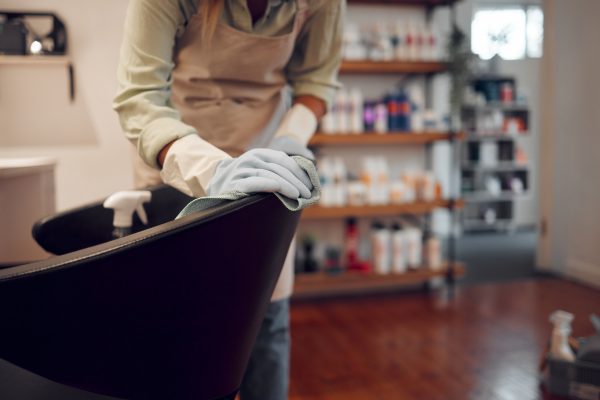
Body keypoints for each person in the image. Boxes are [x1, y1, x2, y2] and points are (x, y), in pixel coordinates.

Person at [113, 0, 344, 398]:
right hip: (179, 161)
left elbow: (316, 82)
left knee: (266, 321)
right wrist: (213, 170)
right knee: (177, 326)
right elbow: (140, 98)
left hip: (267, 168)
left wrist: (290, 141)